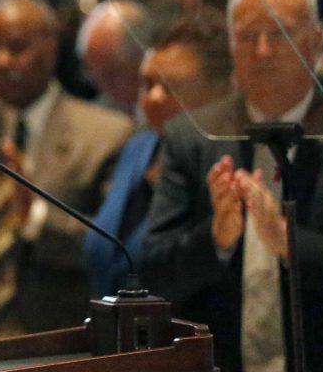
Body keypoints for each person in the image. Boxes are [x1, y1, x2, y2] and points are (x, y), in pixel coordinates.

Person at [144, 0, 323, 372]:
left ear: (315, 42)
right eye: (248, 37)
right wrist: (217, 241)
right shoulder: (193, 137)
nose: (263, 51)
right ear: (230, 47)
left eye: (281, 34)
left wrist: (289, 241)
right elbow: (154, 272)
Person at [0, 0, 133, 342]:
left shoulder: (106, 135)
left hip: (62, 342)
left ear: (52, 49)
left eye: (16, 48)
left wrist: (36, 218)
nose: (0, 61)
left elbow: (114, 250)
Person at [84, 16, 230, 297]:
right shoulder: (136, 148)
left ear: (220, 91)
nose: (153, 99)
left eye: (171, 87)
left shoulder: (221, 162)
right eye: (147, 84)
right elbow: (105, 250)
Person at [75, 0, 147, 116]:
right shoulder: (100, 114)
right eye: (92, 75)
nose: (101, 87)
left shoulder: (177, 106)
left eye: (110, 74)